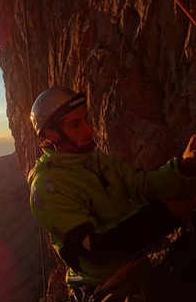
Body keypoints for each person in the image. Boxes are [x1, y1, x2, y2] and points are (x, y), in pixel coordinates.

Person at [27, 88, 196, 302]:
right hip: (108, 287)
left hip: (136, 273)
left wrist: (183, 167)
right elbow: (98, 247)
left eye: (85, 118)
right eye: (76, 123)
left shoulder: (96, 160)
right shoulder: (46, 188)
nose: (89, 128)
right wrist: (166, 215)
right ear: (51, 134)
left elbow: (142, 186)